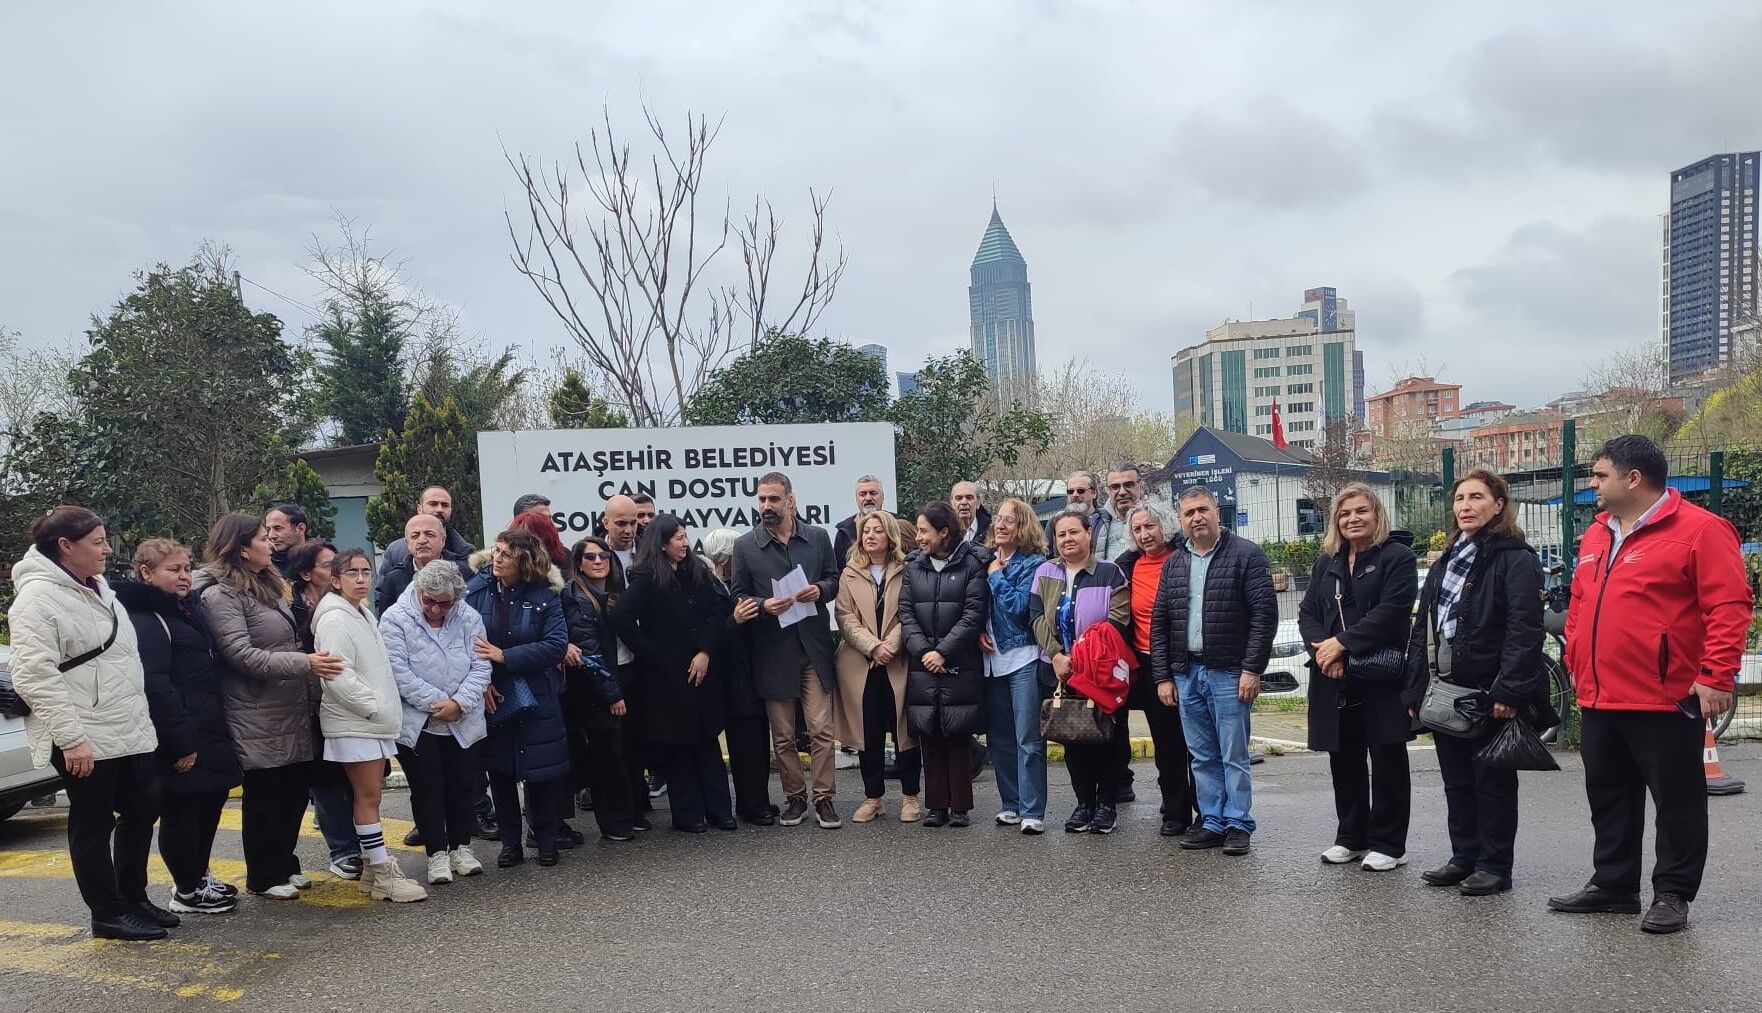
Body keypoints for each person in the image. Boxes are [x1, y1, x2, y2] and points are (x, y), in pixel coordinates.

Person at [1549, 436, 1751, 933]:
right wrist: (1576, 652)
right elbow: (1579, 603)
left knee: (1677, 801)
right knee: (1609, 795)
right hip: (1599, 693)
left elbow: (1728, 607)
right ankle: (1614, 885)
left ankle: (1673, 893)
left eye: (1599, 475)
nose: (1592, 484)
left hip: (1666, 695)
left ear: (1632, 478)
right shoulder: (1597, 533)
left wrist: (1715, 675)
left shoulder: (1701, 530)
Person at [8, 507, 170, 940]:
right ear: (65, 546)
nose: (107, 549)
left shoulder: (99, 588)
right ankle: (108, 912)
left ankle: (134, 898)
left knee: (142, 809)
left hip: (128, 725)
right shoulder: (37, 598)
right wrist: (72, 739)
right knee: (92, 822)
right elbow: (34, 675)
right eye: (97, 541)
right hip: (84, 734)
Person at [1405, 469, 1546, 897]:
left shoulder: (1516, 558)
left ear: (1499, 505)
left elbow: (1525, 629)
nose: (1465, 506)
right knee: (1457, 780)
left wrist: (1509, 690)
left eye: (1476, 498)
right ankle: (1463, 855)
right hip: (1447, 691)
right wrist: (1414, 688)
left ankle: (1494, 865)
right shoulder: (1448, 558)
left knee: (1493, 782)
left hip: (1490, 691)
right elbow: (1423, 625)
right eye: (1460, 498)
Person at [193, 513, 344, 900]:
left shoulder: (270, 584)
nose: (271, 542)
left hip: (290, 704)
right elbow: (241, 656)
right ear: (242, 548)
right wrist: (304, 664)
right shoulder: (220, 595)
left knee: (293, 789)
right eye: (262, 537)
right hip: (255, 710)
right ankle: (262, 873)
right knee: (265, 794)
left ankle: (284, 862)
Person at [116, 538, 243, 915]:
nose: (185, 576)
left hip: (207, 725)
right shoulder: (146, 618)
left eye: (187, 568)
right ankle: (187, 887)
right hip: (181, 733)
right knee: (184, 811)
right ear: (145, 572)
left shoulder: (185, 610)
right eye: (174, 570)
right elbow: (155, 683)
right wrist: (182, 742)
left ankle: (198, 876)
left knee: (210, 800)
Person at [1150, 485, 1277, 856]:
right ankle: (1212, 820)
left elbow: (1264, 616)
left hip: (1229, 673)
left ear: (1217, 512)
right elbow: (1160, 623)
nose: (1196, 518)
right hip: (1187, 673)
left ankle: (1238, 823)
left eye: (1202, 510)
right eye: (1188, 513)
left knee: (1233, 754)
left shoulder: (1246, 555)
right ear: (1181, 519)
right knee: (1201, 755)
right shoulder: (1175, 562)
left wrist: (1252, 669)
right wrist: (1162, 676)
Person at [1297, 485, 1419, 872]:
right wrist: (1323, 652)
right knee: (1344, 758)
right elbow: (1308, 613)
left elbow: (1392, 612)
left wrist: (1341, 645)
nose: (1353, 519)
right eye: (1345, 513)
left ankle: (1389, 844)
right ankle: (1351, 836)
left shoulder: (1397, 558)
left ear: (1376, 514)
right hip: (1334, 675)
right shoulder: (1326, 562)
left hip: (1379, 674)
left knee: (1387, 758)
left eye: (1361, 511)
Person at [311, 548, 427, 903]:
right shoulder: (335, 619)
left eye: (365, 572)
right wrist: (375, 708)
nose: (361, 579)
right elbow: (337, 676)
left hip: (365, 723)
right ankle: (381, 871)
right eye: (352, 573)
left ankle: (373, 872)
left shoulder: (359, 613)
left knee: (368, 797)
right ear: (335, 580)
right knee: (368, 798)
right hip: (357, 724)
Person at [731, 472, 843, 829]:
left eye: (774, 499)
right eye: (762, 499)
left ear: (790, 501)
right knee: (782, 736)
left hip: (812, 648)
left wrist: (820, 590)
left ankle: (824, 798)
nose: (766, 506)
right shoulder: (746, 545)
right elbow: (737, 595)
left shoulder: (818, 538)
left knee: (821, 730)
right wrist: (764, 606)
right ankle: (795, 798)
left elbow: (834, 578)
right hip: (773, 651)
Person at [612, 515, 736, 833]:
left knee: (707, 741)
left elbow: (716, 612)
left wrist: (705, 651)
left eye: (685, 536)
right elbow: (622, 619)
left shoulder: (697, 571)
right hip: (667, 677)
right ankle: (688, 814)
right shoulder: (646, 578)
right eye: (679, 537)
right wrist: (654, 655)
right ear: (663, 544)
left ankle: (720, 811)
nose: (685, 542)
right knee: (678, 746)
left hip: (702, 668)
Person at [381, 560, 494, 882]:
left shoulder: (469, 617)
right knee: (427, 787)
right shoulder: (395, 619)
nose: (435, 609)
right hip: (419, 722)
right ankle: (437, 853)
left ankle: (461, 846)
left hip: (464, 718)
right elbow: (397, 671)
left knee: (464, 785)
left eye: (444, 603)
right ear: (418, 592)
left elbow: (481, 665)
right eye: (428, 601)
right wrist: (437, 703)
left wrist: (459, 703)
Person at [466, 529, 571, 867]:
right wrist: (482, 682)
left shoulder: (546, 595)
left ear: (524, 561)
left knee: (540, 774)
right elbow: (461, 641)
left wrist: (505, 656)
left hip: (537, 694)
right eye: (496, 551)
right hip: (492, 693)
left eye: (506, 554)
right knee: (500, 772)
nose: (497, 558)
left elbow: (556, 644)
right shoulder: (476, 591)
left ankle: (546, 840)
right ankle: (510, 843)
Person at [1030, 509, 1131, 834]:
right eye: (1061, 534)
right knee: (1073, 738)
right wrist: (1057, 655)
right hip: (1057, 671)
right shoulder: (1044, 572)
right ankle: (1083, 803)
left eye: (1074, 532)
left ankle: (1106, 805)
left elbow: (1117, 621)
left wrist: (1084, 658)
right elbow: (1035, 618)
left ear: (1089, 534)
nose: (1068, 539)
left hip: (1099, 673)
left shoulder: (1110, 573)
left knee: (1105, 739)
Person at [898, 501, 990, 828]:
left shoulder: (972, 564)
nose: (919, 537)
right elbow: (906, 613)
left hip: (958, 662)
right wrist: (924, 651)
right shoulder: (914, 566)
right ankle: (936, 806)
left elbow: (972, 615)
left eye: (924, 531)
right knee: (930, 734)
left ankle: (961, 807)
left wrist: (944, 652)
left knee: (956, 733)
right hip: (923, 664)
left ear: (944, 533)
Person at [834, 511, 920, 824]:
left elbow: (909, 613)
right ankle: (873, 798)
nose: (870, 535)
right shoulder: (849, 573)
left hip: (897, 660)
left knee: (904, 731)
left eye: (877, 531)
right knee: (867, 732)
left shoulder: (907, 570)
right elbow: (844, 617)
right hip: (861, 663)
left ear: (890, 537)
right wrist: (872, 646)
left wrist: (889, 647)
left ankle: (910, 797)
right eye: (866, 531)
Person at [1114, 504, 1195, 837]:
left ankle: (1210, 813)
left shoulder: (1186, 557)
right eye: (1138, 529)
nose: (1145, 534)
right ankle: (1175, 811)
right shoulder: (1127, 566)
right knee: (1167, 743)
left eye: (1150, 526)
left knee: (1199, 744)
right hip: (1148, 663)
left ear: (1165, 525)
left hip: (1188, 659)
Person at [283, 539, 360, 879]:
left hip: (350, 700)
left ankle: (364, 843)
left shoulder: (351, 604)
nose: (337, 572)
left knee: (356, 776)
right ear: (305, 572)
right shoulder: (290, 608)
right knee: (326, 780)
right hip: (310, 703)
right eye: (329, 565)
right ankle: (343, 849)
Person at [560, 536, 639, 840]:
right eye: (589, 557)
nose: (597, 562)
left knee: (626, 751)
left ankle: (630, 815)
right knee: (608, 758)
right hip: (598, 688)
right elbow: (589, 651)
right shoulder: (576, 597)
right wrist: (612, 694)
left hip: (625, 673)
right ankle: (614, 823)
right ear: (578, 562)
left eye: (603, 556)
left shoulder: (617, 592)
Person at [980, 498, 1049, 833]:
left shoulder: (1034, 564)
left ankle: (1032, 809)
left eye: (1010, 520)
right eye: (998, 518)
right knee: (1000, 739)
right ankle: (1010, 804)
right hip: (991, 661)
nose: (1001, 525)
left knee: (1028, 738)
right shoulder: (986, 559)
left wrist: (995, 577)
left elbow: (1021, 608)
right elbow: (976, 605)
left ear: (1023, 526)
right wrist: (978, 629)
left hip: (1022, 656)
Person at [701, 529, 777, 826]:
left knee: (758, 738)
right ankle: (751, 802)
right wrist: (736, 620)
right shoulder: (713, 585)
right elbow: (713, 634)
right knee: (745, 742)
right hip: (732, 677)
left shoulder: (740, 584)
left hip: (753, 669)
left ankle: (757, 799)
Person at [601, 493, 659, 811]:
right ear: (606, 522)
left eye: (633, 522)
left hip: (647, 659)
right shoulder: (595, 557)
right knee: (619, 736)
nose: (628, 529)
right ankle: (625, 802)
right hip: (616, 659)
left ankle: (643, 796)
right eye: (620, 523)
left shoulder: (648, 556)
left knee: (644, 732)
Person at [374, 485, 477, 593]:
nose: (440, 509)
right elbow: (382, 594)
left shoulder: (465, 552)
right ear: (419, 509)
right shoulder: (395, 550)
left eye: (445, 505)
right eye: (433, 504)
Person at [375, 513, 451, 614]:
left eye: (429, 534)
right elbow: (386, 623)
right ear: (407, 543)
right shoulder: (393, 579)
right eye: (415, 536)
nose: (422, 541)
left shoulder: (460, 573)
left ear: (443, 540)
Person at [1096, 464, 1169, 562]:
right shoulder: (1096, 523)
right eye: (1115, 487)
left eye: (1128, 485)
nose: (1122, 492)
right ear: (1108, 491)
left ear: (1140, 486)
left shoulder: (1162, 518)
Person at [1044, 470, 1108, 549]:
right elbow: (1047, 555)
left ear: (1094, 493)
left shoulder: (1107, 519)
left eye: (1081, 491)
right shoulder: (1054, 521)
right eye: (1070, 491)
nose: (1075, 495)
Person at [833, 474, 887, 567]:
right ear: (856, 498)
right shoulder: (844, 532)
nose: (868, 498)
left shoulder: (899, 525)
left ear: (883, 496)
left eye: (873, 493)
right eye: (863, 494)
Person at [265, 503, 310, 578]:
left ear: (300, 528)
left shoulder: (319, 559)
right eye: (268, 529)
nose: (271, 535)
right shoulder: (265, 564)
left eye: (278, 528)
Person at [950, 481, 991, 548]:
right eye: (959, 498)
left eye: (969, 498)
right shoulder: (944, 532)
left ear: (978, 503)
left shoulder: (990, 531)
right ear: (952, 503)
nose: (964, 502)